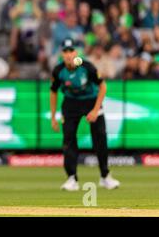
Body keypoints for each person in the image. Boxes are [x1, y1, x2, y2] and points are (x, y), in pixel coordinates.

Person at [50, 38, 120, 191]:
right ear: (62, 54)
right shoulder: (58, 71)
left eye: (71, 51)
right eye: (65, 52)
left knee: (100, 138)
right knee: (68, 139)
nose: (68, 55)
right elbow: (53, 92)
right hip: (70, 103)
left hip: (91, 101)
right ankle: (71, 178)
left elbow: (103, 87)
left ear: (75, 53)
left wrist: (95, 110)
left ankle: (105, 176)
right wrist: (54, 117)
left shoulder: (86, 66)